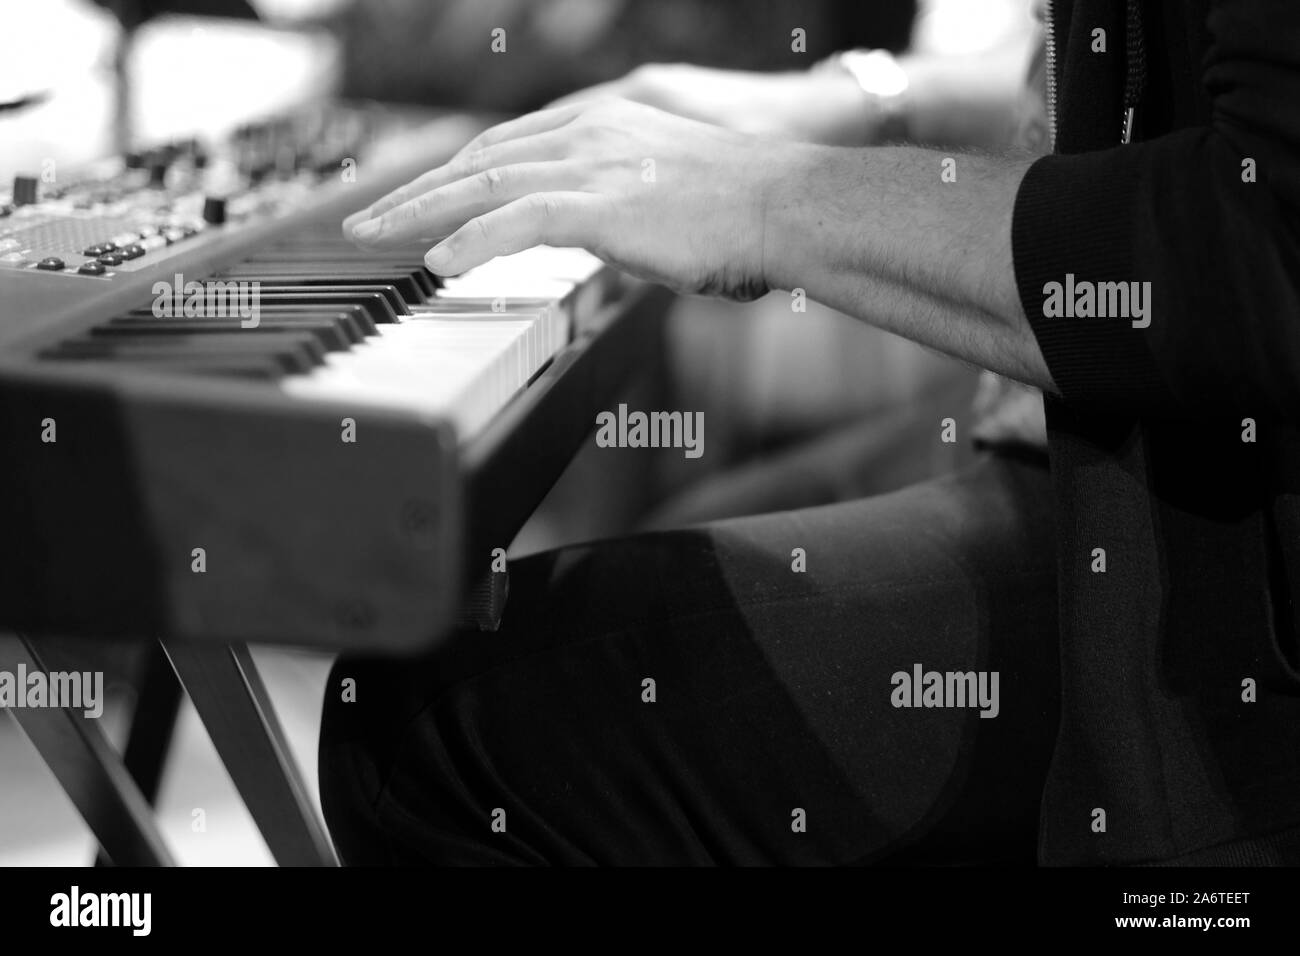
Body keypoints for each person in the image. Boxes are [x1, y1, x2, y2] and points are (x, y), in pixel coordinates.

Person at [318, 0, 1300, 865]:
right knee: (687, 536)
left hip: (1222, 568)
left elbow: (1260, 251)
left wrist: (769, 193)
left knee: (445, 726)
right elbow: (1146, 76)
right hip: (1078, 432)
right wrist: (858, 102)